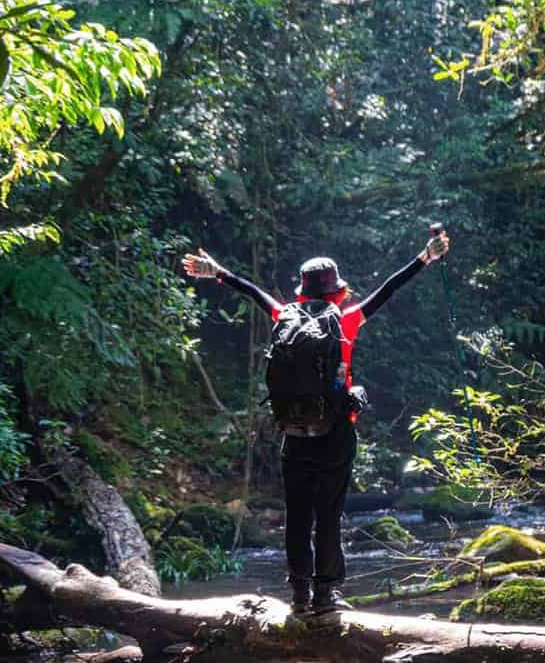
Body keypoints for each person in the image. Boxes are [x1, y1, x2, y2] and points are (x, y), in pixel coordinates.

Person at [182, 231, 451, 614]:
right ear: (337, 292)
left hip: (292, 433)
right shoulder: (348, 320)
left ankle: (299, 596)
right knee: (327, 515)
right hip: (336, 434)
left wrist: (217, 272)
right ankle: (326, 596)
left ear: (302, 293)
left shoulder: (283, 317)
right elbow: (388, 289)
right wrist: (426, 257)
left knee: (297, 517)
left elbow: (254, 292)